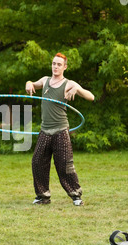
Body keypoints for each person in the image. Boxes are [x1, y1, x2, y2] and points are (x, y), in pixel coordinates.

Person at [25, 53, 94, 206]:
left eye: (59, 64)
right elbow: (32, 83)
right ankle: (43, 196)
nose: (55, 66)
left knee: (64, 165)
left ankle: (76, 196)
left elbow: (91, 97)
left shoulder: (69, 83)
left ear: (65, 67)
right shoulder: (45, 81)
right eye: (54, 64)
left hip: (61, 130)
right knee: (37, 162)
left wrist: (77, 89)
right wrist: (29, 83)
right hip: (45, 130)